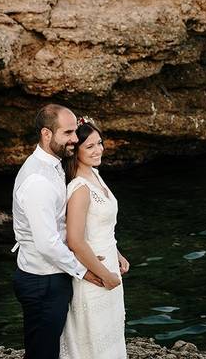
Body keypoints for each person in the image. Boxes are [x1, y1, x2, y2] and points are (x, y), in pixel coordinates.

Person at [12, 104, 106, 359]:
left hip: (52, 275)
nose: (75, 139)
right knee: (43, 353)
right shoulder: (37, 180)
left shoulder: (54, 166)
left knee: (48, 348)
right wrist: (84, 270)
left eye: (75, 131)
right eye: (67, 133)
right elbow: (47, 244)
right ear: (46, 134)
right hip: (43, 280)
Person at [59, 116, 129, 359]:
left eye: (99, 143)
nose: (98, 150)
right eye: (89, 146)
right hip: (94, 272)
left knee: (110, 334)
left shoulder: (95, 175)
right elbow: (75, 241)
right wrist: (104, 274)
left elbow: (101, 225)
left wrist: (117, 254)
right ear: (74, 150)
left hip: (109, 263)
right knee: (93, 339)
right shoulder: (79, 188)